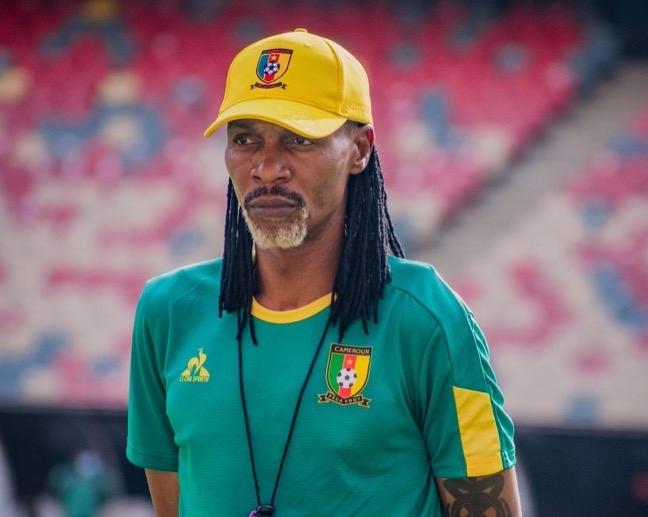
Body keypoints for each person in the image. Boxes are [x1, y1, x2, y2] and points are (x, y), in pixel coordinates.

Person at [126, 28, 522, 517]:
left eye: (299, 139)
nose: (267, 168)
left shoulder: (429, 320)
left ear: (360, 150)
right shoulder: (167, 312)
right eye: (245, 139)